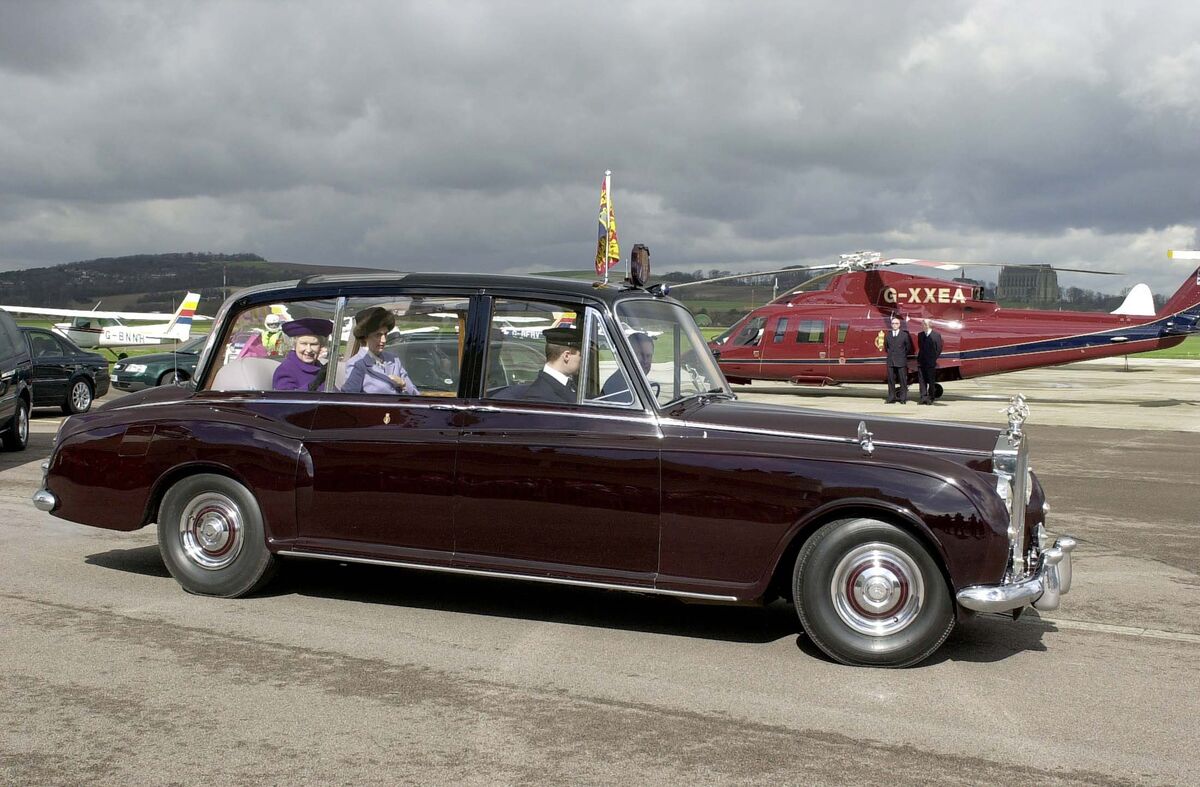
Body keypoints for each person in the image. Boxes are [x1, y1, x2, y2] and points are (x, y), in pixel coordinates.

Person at [342, 307, 420, 395]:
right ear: (365, 336)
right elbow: (349, 400)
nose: (384, 340)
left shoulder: (394, 360)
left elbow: (415, 395)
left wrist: (403, 384)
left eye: (385, 334)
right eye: (378, 335)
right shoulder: (356, 364)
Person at [518, 325, 582, 403]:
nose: (581, 360)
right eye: (580, 355)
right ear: (566, 356)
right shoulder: (539, 397)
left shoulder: (566, 384)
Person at [272, 318, 333, 391]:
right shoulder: (285, 370)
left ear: (321, 346)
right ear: (294, 345)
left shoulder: (321, 369)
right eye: (303, 344)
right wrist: (313, 385)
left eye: (314, 344)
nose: (309, 350)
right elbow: (286, 399)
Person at [600, 331, 655, 403]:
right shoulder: (618, 387)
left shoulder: (636, 381)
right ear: (628, 356)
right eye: (640, 355)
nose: (645, 361)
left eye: (648, 356)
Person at [883, 315, 912, 404]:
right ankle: (891, 397)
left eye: (896, 323)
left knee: (902, 380)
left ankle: (903, 398)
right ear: (891, 325)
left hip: (901, 360)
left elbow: (908, 348)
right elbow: (886, 347)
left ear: (899, 325)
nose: (894, 325)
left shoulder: (904, 335)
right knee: (891, 380)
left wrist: (902, 355)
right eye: (893, 323)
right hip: (891, 361)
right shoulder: (888, 335)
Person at [917, 318, 944, 405]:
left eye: (924, 324)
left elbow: (938, 349)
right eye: (923, 324)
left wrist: (933, 358)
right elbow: (920, 347)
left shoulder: (936, 335)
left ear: (928, 325)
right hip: (921, 361)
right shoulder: (920, 335)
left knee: (931, 380)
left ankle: (931, 397)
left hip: (931, 362)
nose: (923, 326)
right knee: (922, 380)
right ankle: (923, 397)